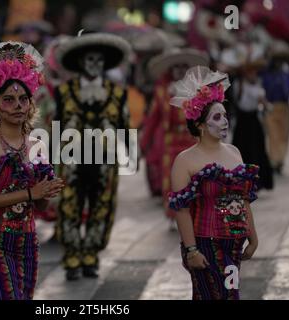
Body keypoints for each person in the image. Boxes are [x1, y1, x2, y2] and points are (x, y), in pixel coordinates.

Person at [0, 41, 64, 300]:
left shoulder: (37, 144)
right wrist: (31, 193)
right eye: (8, 100)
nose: (17, 105)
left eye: (23, 99)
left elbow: (38, 205)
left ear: (31, 103)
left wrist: (46, 193)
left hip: (26, 241)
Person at [168, 66, 259, 300]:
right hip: (205, 243)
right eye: (217, 117)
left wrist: (252, 236)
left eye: (225, 115)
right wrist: (191, 250)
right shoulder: (185, 160)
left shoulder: (234, 152)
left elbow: (243, 198)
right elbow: (181, 210)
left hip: (234, 243)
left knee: (231, 295)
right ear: (200, 124)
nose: (225, 121)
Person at [54, 32, 131, 280]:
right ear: (80, 62)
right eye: (89, 59)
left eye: (99, 60)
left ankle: (91, 255)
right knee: (69, 206)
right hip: (71, 159)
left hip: (105, 160)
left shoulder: (118, 93)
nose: (94, 65)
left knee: (102, 207)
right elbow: (55, 125)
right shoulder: (63, 91)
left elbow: (124, 125)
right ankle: (72, 256)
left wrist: (130, 155)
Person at [141, 48, 207, 231]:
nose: (179, 70)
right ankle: (174, 214)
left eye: (182, 67)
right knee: (171, 180)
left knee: (194, 179)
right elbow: (153, 118)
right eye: (175, 67)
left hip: (191, 140)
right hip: (170, 142)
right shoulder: (162, 92)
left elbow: (206, 116)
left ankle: (193, 214)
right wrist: (143, 143)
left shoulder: (198, 92)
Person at [231, 49, 274, 190]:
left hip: (254, 121)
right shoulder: (239, 85)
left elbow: (264, 104)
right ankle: (242, 181)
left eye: (254, 71)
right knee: (243, 152)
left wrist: (264, 102)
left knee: (257, 151)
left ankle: (258, 182)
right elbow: (240, 103)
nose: (253, 74)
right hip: (243, 123)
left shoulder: (258, 84)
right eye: (250, 71)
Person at [260, 42, 289, 174]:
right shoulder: (266, 73)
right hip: (271, 107)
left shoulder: (286, 72)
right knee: (273, 135)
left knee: (284, 135)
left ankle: (280, 159)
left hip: (284, 107)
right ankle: (274, 160)